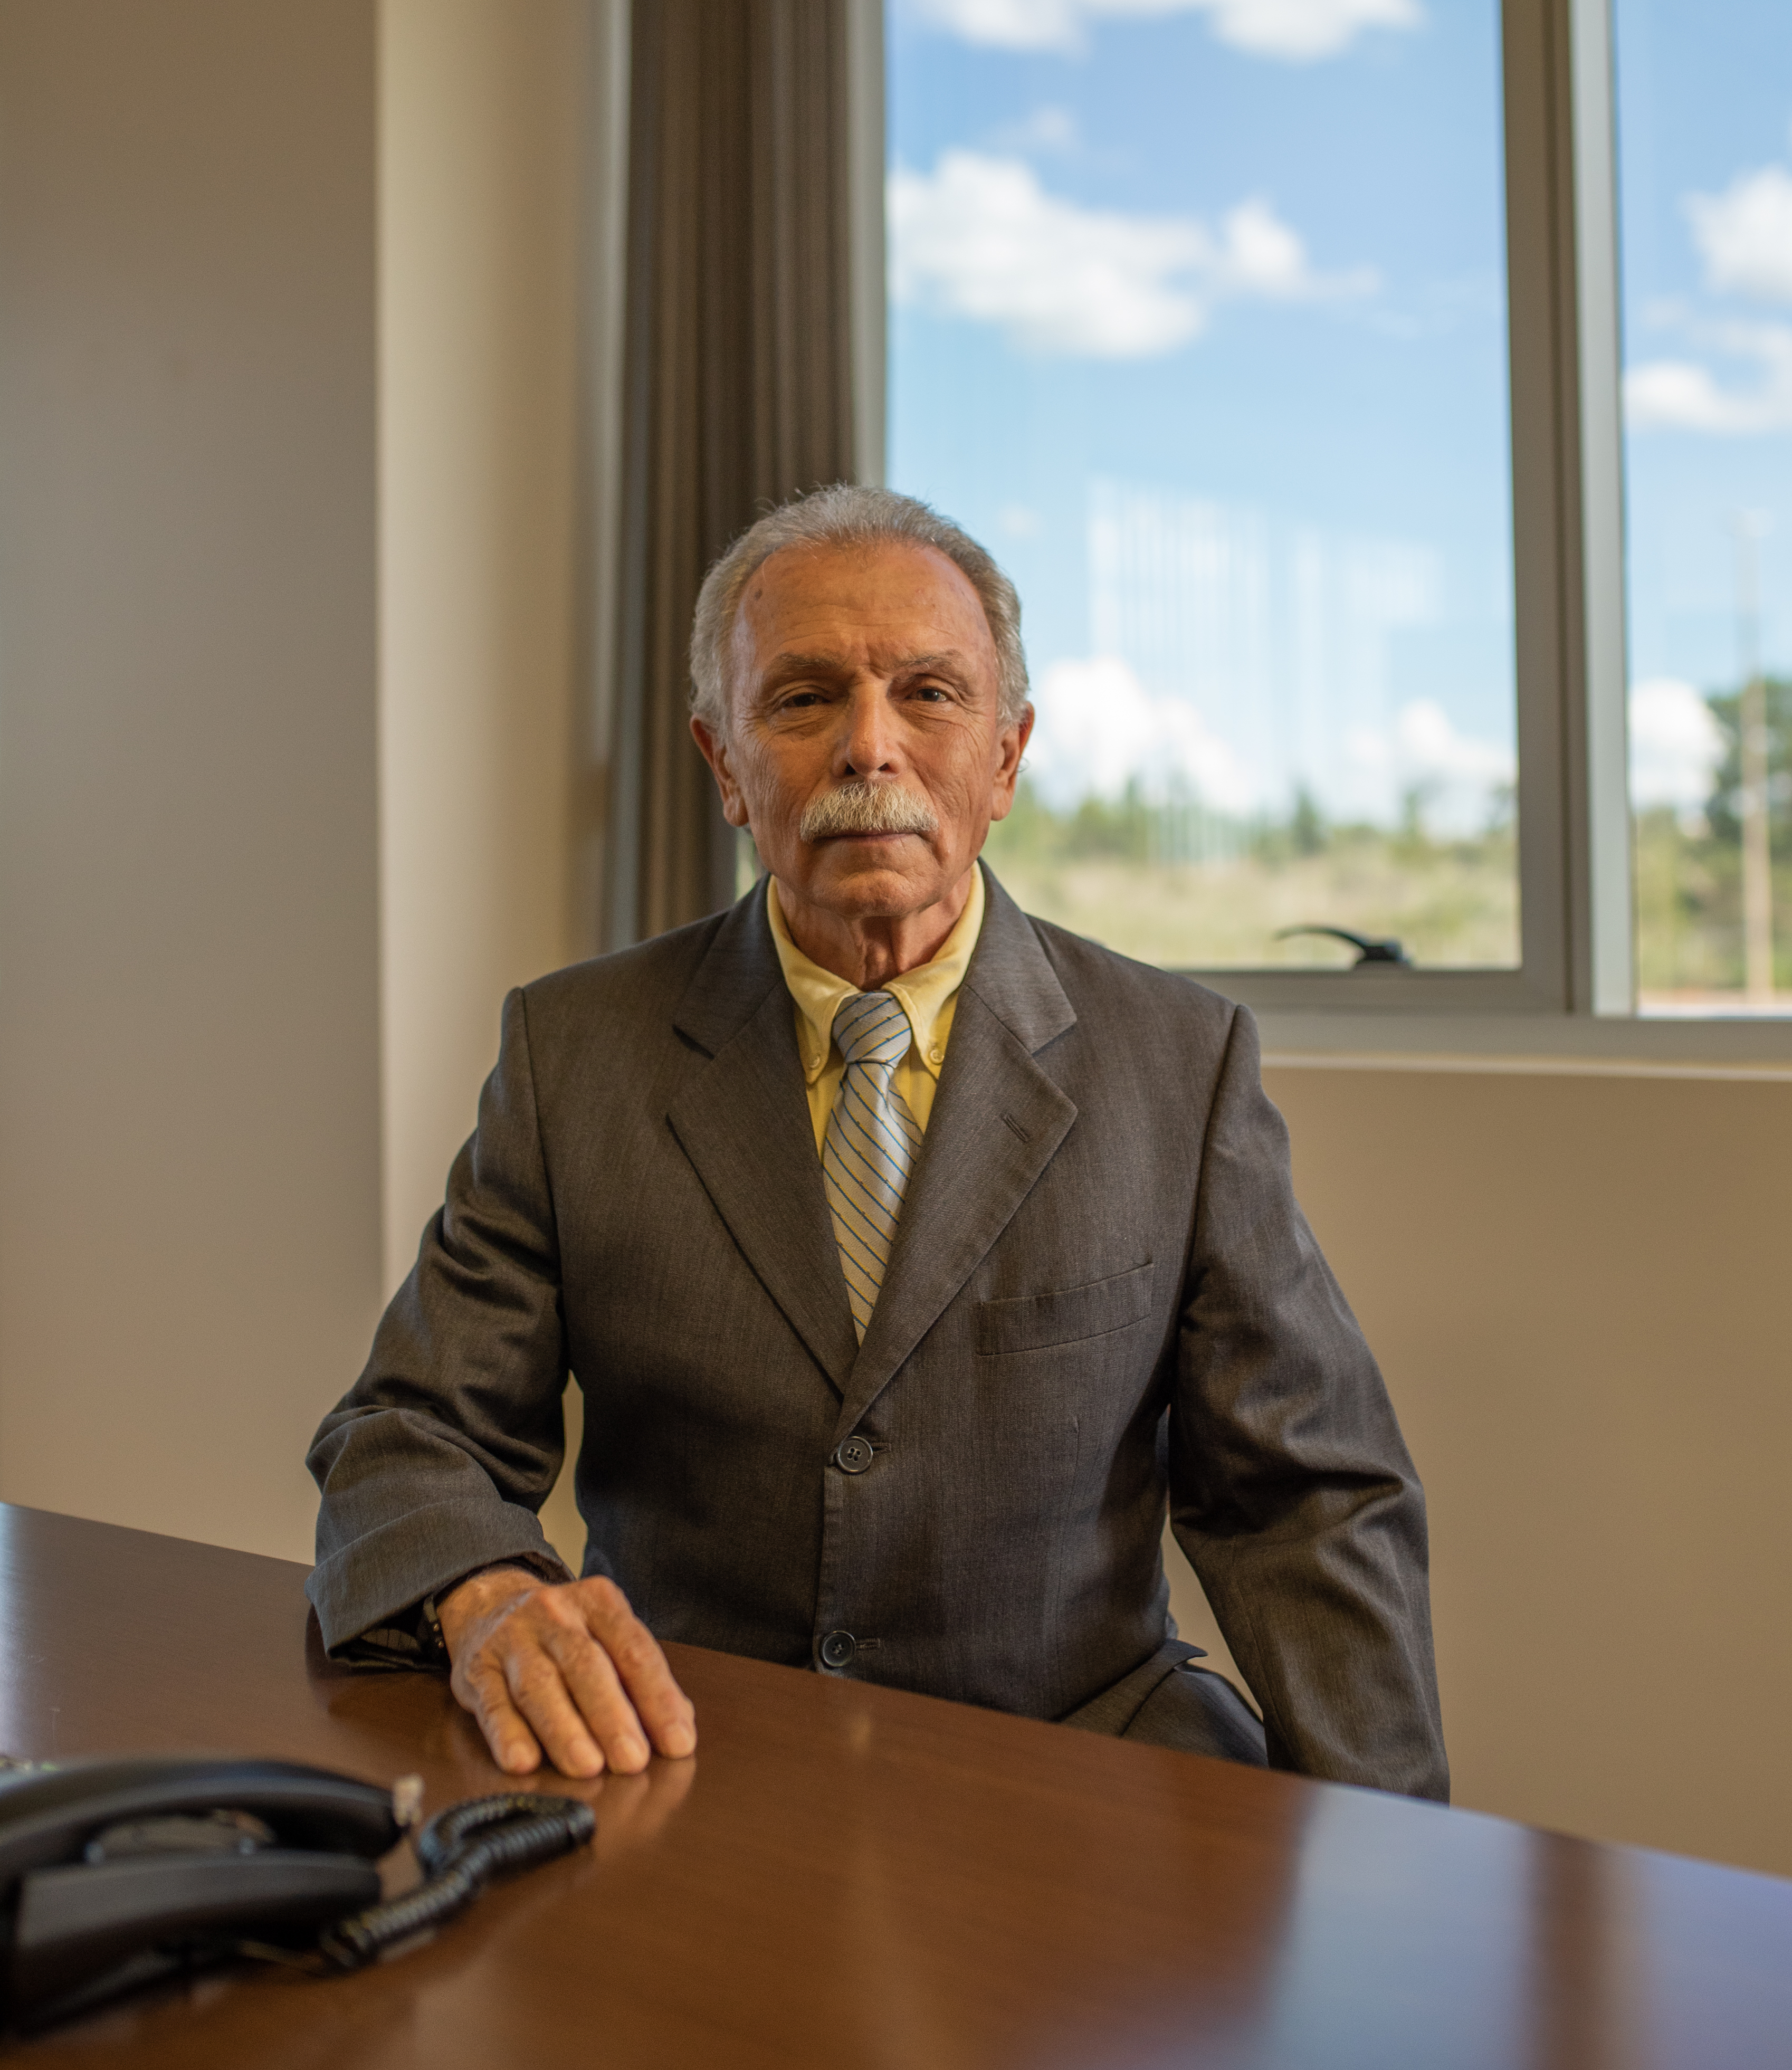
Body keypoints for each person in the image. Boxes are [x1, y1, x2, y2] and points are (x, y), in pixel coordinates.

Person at [307, 487, 1446, 1796]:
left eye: (929, 693)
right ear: (723, 764)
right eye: (800, 700)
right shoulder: (576, 1056)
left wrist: (1402, 1863)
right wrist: (487, 1593)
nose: (869, 748)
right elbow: (409, 1429)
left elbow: (1308, 1502)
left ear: (1007, 756)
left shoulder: (1181, 1066)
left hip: (1076, 1767)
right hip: (685, 1760)